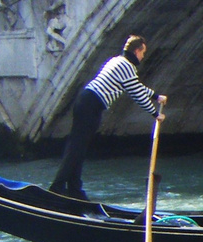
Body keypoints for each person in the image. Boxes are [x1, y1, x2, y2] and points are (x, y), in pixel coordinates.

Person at [50, 35, 165, 200]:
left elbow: (135, 86)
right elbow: (136, 92)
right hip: (90, 105)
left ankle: (74, 189)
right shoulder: (126, 66)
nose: (142, 57)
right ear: (137, 50)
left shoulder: (117, 61)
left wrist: (156, 96)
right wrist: (155, 114)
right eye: (143, 53)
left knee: (79, 148)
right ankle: (57, 188)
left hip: (88, 102)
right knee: (76, 148)